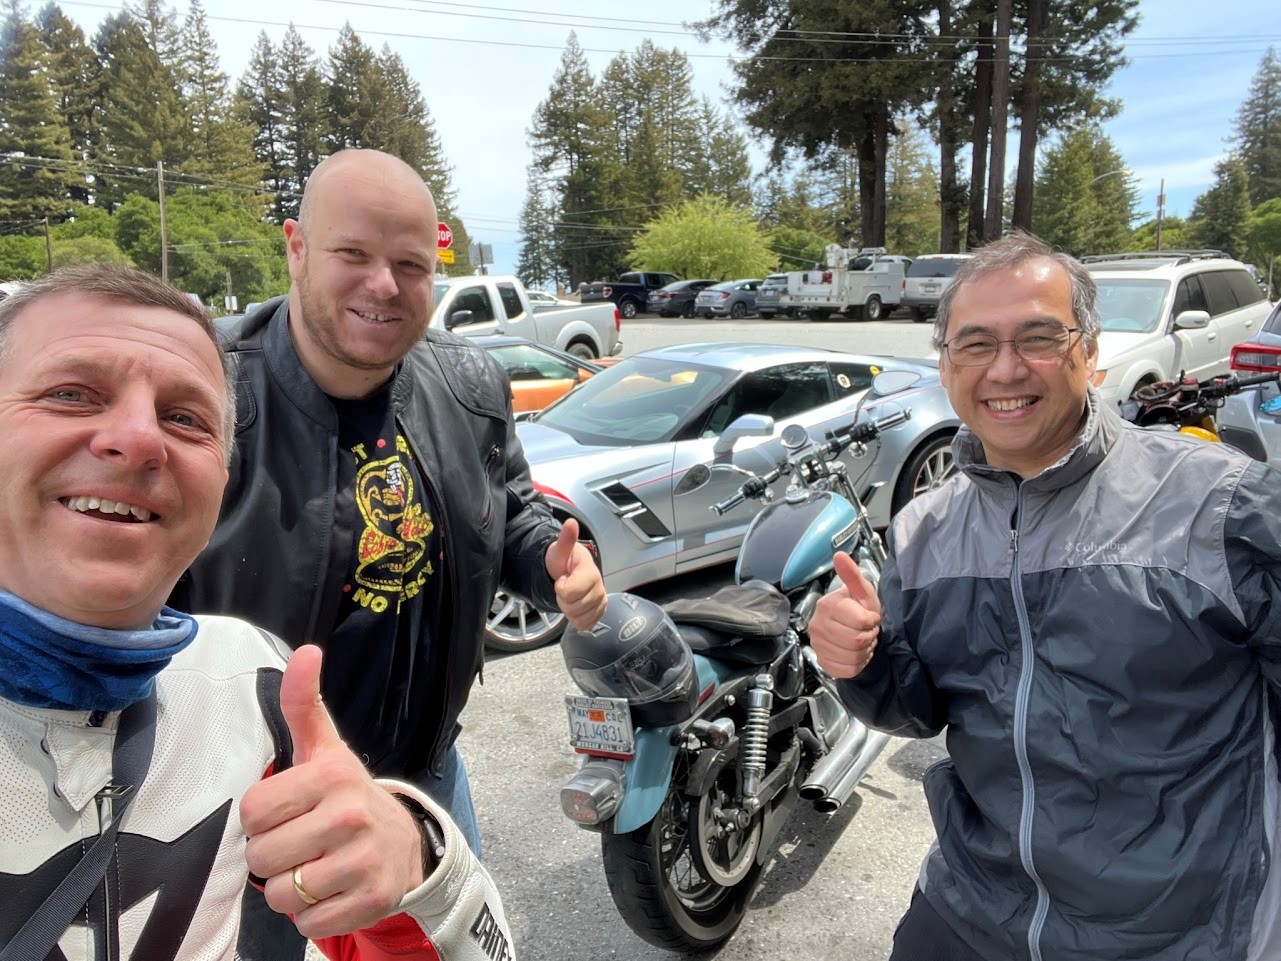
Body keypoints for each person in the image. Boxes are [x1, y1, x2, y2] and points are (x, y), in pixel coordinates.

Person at [0, 265, 515, 961]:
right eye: (70, 394)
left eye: (184, 417)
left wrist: (417, 865)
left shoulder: (246, 682)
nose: (137, 438)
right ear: (300, 254)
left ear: (221, 473)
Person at [166, 149, 606, 959]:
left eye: (409, 263)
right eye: (353, 255)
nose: (384, 284)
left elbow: (506, 512)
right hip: (255, 809)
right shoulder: (201, 391)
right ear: (296, 247)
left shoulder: (470, 384)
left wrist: (554, 562)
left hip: (423, 779)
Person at [810, 233, 1281, 961]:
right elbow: (916, 706)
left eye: (1037, 337)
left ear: (1088, 352)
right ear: (945, 364)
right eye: (974, 344)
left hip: (1173, 932)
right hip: (971, 909)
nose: (1004, 368)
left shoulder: (1219, 506)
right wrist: (858, 661)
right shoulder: (927, 527)